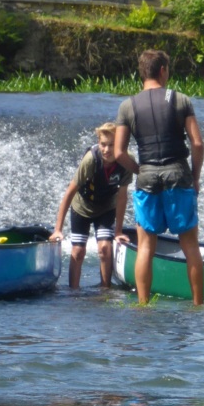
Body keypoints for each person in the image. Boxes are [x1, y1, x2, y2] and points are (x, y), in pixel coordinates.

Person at [114, 49, 204, 305]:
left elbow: (119, 152)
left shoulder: (127, 106)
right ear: (163, 70)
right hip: (178, 174)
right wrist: (195, 177)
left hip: (147, 178)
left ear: (142, 72)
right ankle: (197, 305)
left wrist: (140, 169)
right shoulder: (180, 99)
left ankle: (143, 305)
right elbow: (197, 144)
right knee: (190, 246)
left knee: (145, 247)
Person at [49, 122, 133, 288]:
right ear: (98, 142)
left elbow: (122, 197)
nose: (107, 150)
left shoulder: (126, 160)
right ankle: (73, 292)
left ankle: (105, 290)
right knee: (78, 251)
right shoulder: (91, 159)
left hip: (106, 207)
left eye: (112, 145)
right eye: (103, 144)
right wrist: (58, 229)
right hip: (82, 207)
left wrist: (118, 231)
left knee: (105, 248)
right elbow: (69, 193)